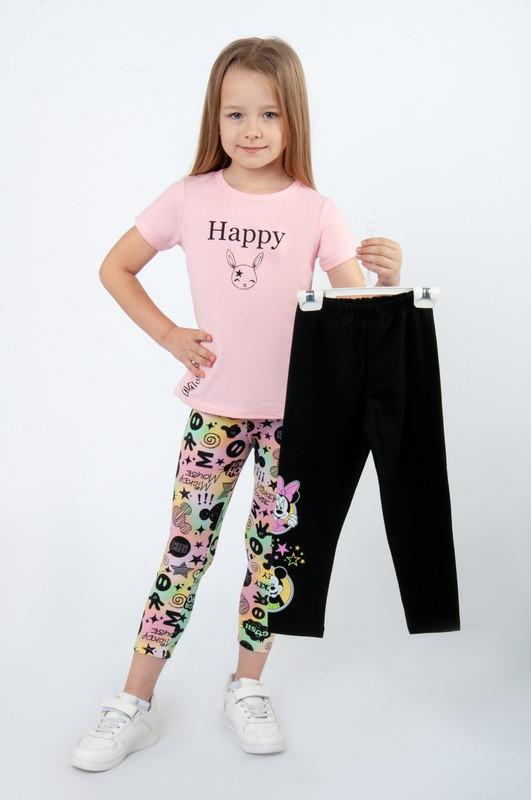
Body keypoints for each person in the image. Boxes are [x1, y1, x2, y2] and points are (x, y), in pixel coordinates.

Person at [70, 35, 403, 771]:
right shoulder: (190, 198)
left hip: (295, 420)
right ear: (214, 118)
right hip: (215, 416)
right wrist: (169, 334)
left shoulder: (317, 210)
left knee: (271, 559)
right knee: (184, 557)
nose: (252, 130)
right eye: (236, 114)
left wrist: (386, 279)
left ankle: (246, 687)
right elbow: (116, 267)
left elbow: (356, 313)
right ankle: (133, 702)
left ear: (294, 120)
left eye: (269, 114)